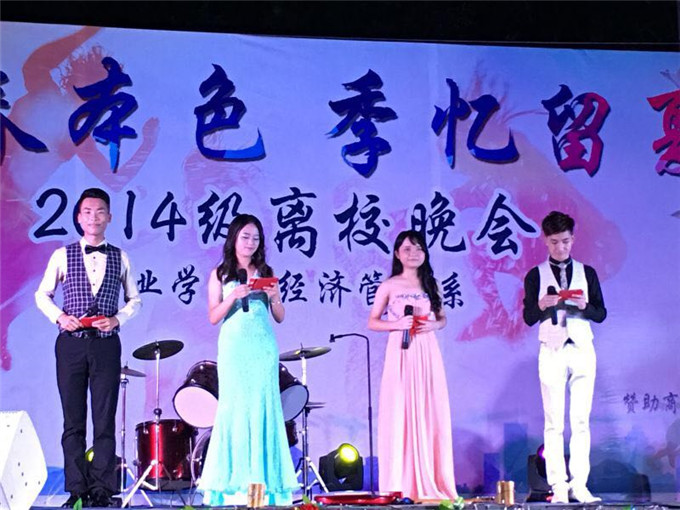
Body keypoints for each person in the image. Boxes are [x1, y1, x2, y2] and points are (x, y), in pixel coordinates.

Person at [35, 188, 142, 508]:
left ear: (109, 217)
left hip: (106, 346)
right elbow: (42, 294)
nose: (94, 217)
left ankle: (101, 490)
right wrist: (60, 317)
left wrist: (118, 319)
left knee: (104, 420)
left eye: (100, 212)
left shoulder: (121, 257)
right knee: (73, 420)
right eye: (87, 212)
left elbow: (134, 299)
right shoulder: (62, 255)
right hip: (71, 345)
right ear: (79, 218)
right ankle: (76, 489)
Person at [199, 214, 298, 506]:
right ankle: (232, 490)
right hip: (234, 349)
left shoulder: (265, 271)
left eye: (255, 238)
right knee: (235, 411)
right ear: (234, 239)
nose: (250, 243)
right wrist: (233, 296)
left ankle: (263, 492)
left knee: (262, 411)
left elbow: (279, 316)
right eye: (245, 237)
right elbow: (213, 316)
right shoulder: (220, 273)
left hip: (262, 348)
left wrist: (275, 295)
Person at [522, 211, 607, 504]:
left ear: (573, 239)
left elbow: (601, 313)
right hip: (552, 348)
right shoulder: (535, 275)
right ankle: (558, 485)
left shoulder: (587, 272)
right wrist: (542, 305)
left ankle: (579, 484)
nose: (561, 247)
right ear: (545, 241)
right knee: (553, 421)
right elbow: (528, 317)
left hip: (582, 348)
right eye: (555, 242)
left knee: (581, 419)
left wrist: (584, 306)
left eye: (566, 241)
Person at [367, 230, 457, 502]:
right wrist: (397, 324)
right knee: (400, 409)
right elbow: (372, 321)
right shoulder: (389, 285)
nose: (413, 254)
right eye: (407, 249)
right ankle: (401, 482)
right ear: (397, 254)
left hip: (426, 350)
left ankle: (430, 480)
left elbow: (442, 318)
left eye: (418, 248)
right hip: (401, 349)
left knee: (429, 408)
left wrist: (435, 325)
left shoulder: (431, 283)